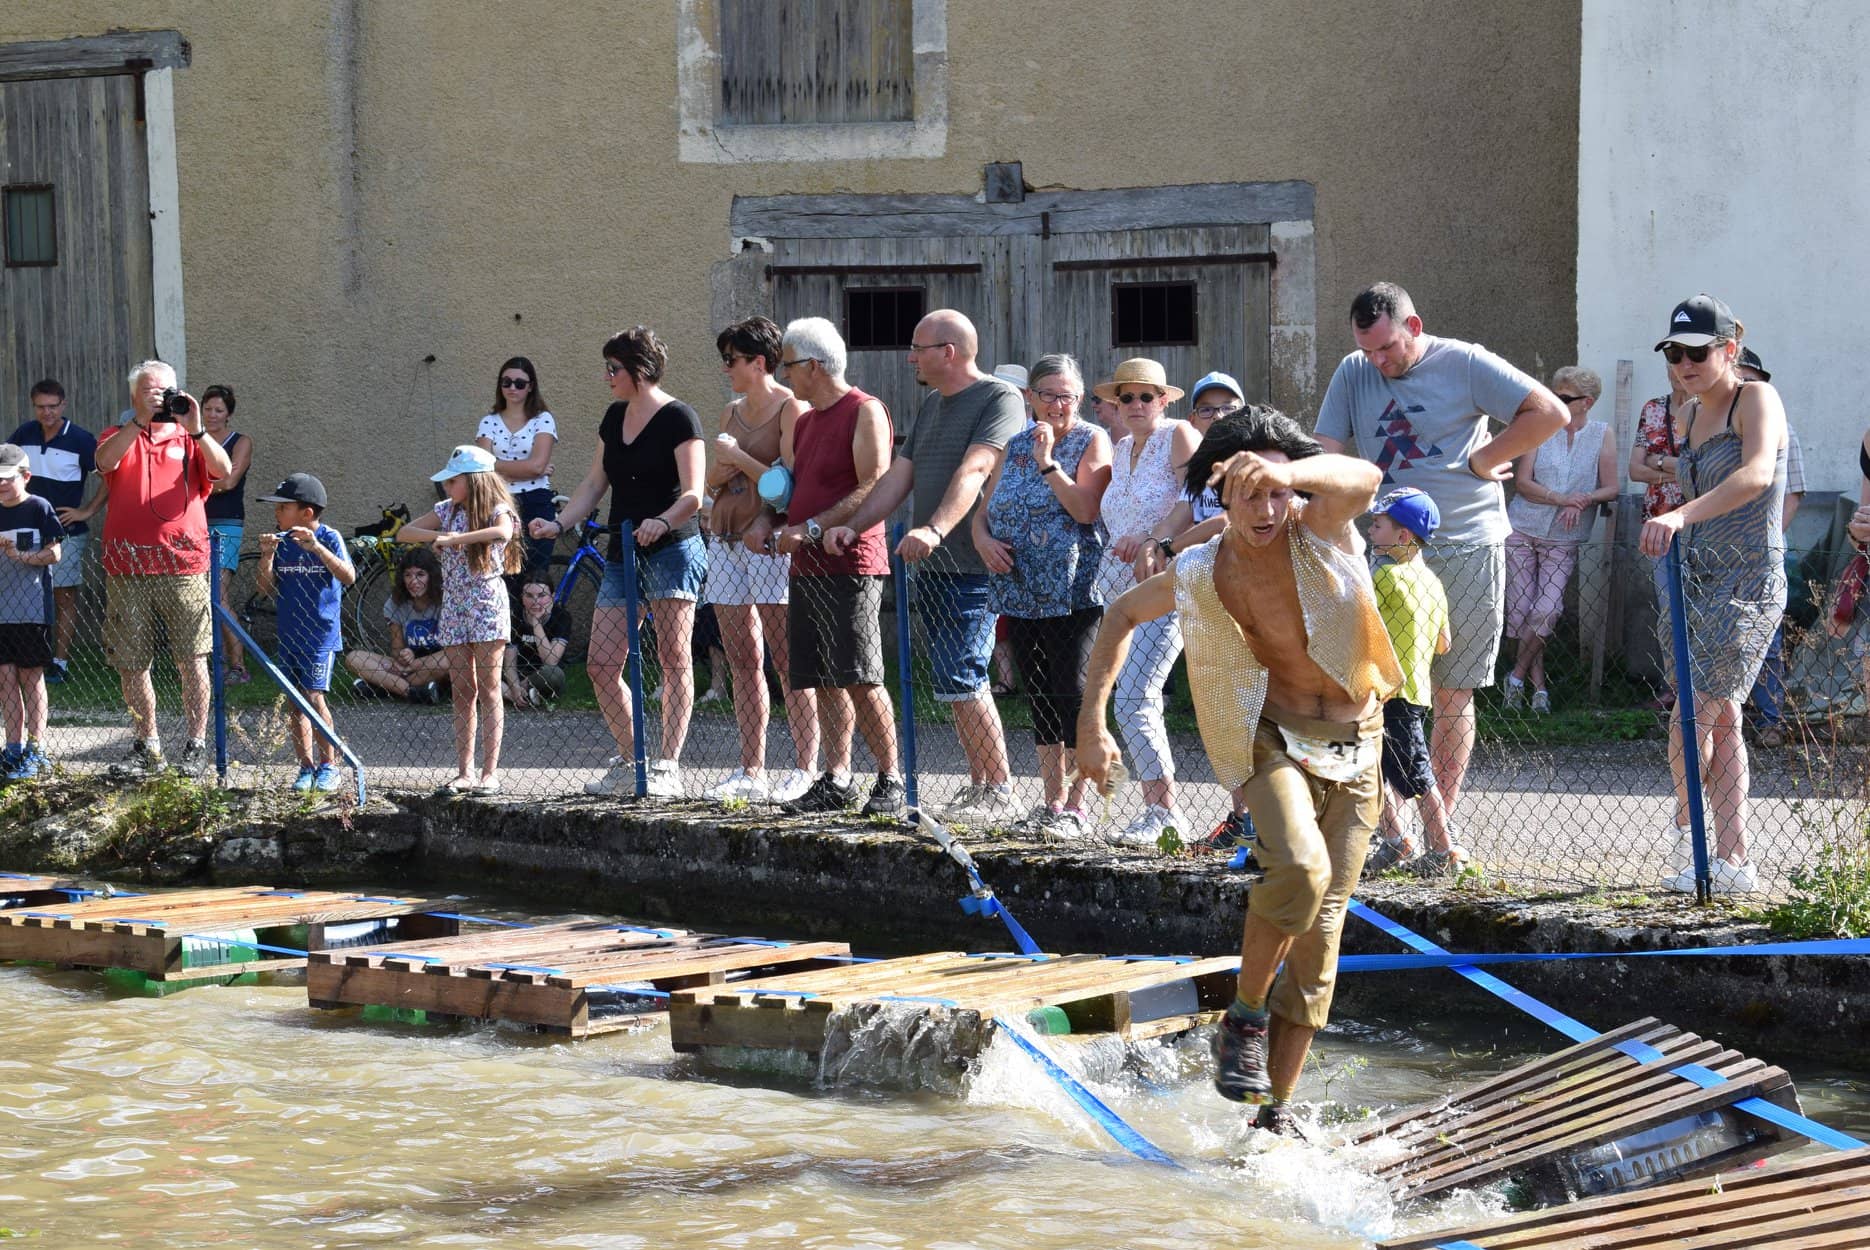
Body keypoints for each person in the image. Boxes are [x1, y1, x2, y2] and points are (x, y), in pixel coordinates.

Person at [1076, 407, 1400, 1135]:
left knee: (1319, 947)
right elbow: (1121, 615)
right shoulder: (1203, 570)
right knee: (1301, 872)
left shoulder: (1324, 531)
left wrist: (1287, 472)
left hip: (1359, 751)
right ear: (1217, 494)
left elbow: (1365, 475)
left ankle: (1271, 1117)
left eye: (1276, 489)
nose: (1266, 505)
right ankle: (1245, 1016)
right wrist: (1091, 723)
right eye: (1246, 489)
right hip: (1273, 741)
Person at [1313, 282, 1566, 837]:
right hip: (1386, 554)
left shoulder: (1466, 362)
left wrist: (1484, 459)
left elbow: (1548, 413)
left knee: (1453, 689)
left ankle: (1439, 827)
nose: (1377, 362)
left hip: (1465, 543)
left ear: (1415, 327)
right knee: (1378, 689)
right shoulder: (1353, 371)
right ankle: (1392, 830)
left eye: (1388, 349)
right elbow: (1326, 453)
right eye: (1367, 349)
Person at [823, 310, 1024, 826]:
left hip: (973, 562)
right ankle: (982, 785)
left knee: (965, 674)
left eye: (918, 348)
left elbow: (977, 467)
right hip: (934, 566)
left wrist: (934, 529)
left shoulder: (1000, 398)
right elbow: (899, 476)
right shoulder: (934, 404)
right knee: (953, 678)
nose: (910, 357)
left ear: (948, 352)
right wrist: (858, 525)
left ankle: (999, 789)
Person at [1639, 295, 1787, 896]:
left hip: (1748, 580)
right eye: (1674, 353)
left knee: (1692, 715)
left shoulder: (1756, 399)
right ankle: (1730, 859)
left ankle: (1690, 832)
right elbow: (1683, 474)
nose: (1684, 363)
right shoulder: (1690, 413)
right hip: (1695, 580)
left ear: (1729, 348)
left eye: (1696, 351)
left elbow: (1756, 475)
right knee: (1720, 719)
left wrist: (1676, 516)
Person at [531, 327, 707, 799]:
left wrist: (663, 522)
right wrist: (558, 523)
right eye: (607, 368)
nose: (607, 377)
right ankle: (636, 762)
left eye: (614, 369)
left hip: (672, 549)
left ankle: (668, 765)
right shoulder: (613, 418)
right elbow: (594, 484)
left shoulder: (679, 418)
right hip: (621, 554)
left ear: (640, 371)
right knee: (601, 664)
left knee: (674, 659)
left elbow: (693, 494)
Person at [762, 316, 904, 816]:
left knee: (862, 674)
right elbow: (793, 486)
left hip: (851, 562)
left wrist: (814, 529)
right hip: (807, 564)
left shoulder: (865, 411)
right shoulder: (804, 421)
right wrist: (770, 520)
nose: (785, 377)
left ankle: (892, 780)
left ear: (814, 366)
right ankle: (838, 777)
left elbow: (874, 483)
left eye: (790, 366)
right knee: (822, 675)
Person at [971, 353, 1111, 839]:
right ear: (1030, 397)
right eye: (1048, 394)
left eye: (1067, 395)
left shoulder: (1092, 439)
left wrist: (1048, 461)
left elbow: (1086, 510)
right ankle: (1051, 800)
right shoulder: (1011, 444)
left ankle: (1077, 805)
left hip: (1073, 591)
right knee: (1040, 697)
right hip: (1019, 588)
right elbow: (982, 513)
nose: (1057, 404)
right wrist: (983, 541)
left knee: (1070, 692)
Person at [95, 360, 232, 778]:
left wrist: (196, 428)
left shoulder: (192, 439)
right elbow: (104, 462)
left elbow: (223, 472)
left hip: (183, 564)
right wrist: (139, 423)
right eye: (152, 391)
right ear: (135, 396)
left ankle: (195, 745)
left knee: (192, 659)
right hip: (128, 565)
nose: (161, 397)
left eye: (167, 390)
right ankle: (147, 745)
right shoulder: (117, 435)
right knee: (132, 662)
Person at [1137, 369, 1254, 854]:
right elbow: (1182, 513)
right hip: (1210, 596)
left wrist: (1171, 544)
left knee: (1253, 709)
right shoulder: (1204, 465)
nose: (1217, 415)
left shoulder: (1253, 460)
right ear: (1194, 417)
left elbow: (1230, 519)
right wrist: (1154, 540)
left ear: (1243, 412)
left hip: (1249, 598)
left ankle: (1268, 818)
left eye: (1227, 407)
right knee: (1223, 709)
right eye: (1207, 408)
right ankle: (1242, 817)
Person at [703, 316, 817, 803]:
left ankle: (806, 769)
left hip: (769, 542)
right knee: (742, 659)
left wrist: (741, 462)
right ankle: (753, 769)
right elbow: (711, 480)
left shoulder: (793, 408)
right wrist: (732, 466)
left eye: (732, 359)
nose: (726, 368)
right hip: (725, 537)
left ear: (759, 362)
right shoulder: (730, 411)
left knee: (787, 659)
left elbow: (789, 484)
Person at [1091, 357, 1201, 845]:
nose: (1135, 405)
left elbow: (1195, 500)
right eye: (1126, 397)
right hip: (1118, 588)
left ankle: (1165, 813)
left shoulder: (1178, 434)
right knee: (1125, 698)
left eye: (1145, 396)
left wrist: (1155, 540)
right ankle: (1150, 810)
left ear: (1163, 400)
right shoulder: (1119, 445)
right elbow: (1117, 513)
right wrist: (1125, 539)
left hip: (1165, 584)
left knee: (1136, 697)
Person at [401, 444, 522, 794]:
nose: (447, 488)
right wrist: (438, 537)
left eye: (453, 481)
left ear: (473, 481)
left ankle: (489, 773)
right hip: (454, 606)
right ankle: (464, 771)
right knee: (462, 690)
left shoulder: (497, 510)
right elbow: (405, 533)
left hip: (486, 603)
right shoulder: (446, 510)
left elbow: (502, 533)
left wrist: (456, 539)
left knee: (488, 688)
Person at [1502, 367, 1617, 712]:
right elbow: (1523, 482)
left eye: (1564, 398)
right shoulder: (1540, 427)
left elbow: (1611, 487)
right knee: (1522, 610)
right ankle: (1539, 690)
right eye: (1555, 395)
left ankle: (1517, 676)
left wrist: (1582, 498)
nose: (1556, 401)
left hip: (1564, 536)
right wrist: (1561, 498)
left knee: (1547, 611)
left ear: (1587, 403)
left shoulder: (1601, 434)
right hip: (1521, 528)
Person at [1361, 488, 1458, 876]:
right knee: (1377, 769)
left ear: (1402, 536)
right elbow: (1444, 643)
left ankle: (1443, 850)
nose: (1370, 530)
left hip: (1385, 691)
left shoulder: (1382, 575)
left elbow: (1359, 621)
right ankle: (1397, 840)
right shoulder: (1432, 581)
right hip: (1414, 689)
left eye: (1378, 524)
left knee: (1414, 776)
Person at [254, 473, 354, 793]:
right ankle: (306, 767)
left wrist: (317, 550)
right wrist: (267, 556)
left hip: (320, 635)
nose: (277, 513)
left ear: (306, 513)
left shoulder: (329, 537)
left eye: (283, 507)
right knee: (296, 702)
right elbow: (264, 589)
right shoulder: (282, 543)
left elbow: (349, 576)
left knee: (313, 696)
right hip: (290, 633)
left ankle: (329, 766)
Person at [9, 379, 105, 685]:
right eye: (41, 406)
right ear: (33, 405)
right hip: (26, 529)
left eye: (52, 406)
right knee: (25, 592)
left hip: (66, 531)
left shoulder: (80, 439)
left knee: (63, 595)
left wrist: (86, 510)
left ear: (63, 405)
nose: (47, 412)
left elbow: (110, 477)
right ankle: (28, 657)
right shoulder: (23, 434)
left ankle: (59, 663)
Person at [1737, 348, 1803, 747]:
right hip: (1717, 551)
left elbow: (1793, 494)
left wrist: (1766, 539)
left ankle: (1771, 719)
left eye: (1750, 381)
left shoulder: (1782, 427)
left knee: (1769, 637)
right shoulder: (1711, 428)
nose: (1745, 388)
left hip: (1764, 549)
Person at [0, 444, 63, 780]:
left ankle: (36, 750)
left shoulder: (39, 507)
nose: (1, 486)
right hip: (0, 612)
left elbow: (55, 554)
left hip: (31, 609)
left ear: (25, 476)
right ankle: (12, 748)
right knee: (5, 679)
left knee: (31, 677)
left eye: (7, 479)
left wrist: (24, 558)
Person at [474, 356, 557, 575]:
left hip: (535, 502)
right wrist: (527, 467)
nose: (512, 388)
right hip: (498, 501)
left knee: (535, 576)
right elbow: (481, 469)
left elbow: (537, 467)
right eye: (506, 382)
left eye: (520, 383)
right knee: (500, 575)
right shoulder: (488, 421)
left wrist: (495, 465)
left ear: (530, 387)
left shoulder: (543, 419)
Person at [198, 385, 254, 684]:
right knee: (198, 595)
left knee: (217, 595)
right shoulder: (194, 439)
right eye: (208, 409)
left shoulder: (240, 441)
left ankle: (238, 665)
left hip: (226, 523)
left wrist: (195, 484)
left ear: (229, 414)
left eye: (219, 410)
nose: (212, 415)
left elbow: (230, 481)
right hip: (194, 522)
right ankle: (212, 662)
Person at [345, 546, 448, 704]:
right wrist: (404, 655)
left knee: (448, 660)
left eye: (420, 574)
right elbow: (397, 650)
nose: (413, 581)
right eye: (408, 575)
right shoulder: (395, 604)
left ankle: (382, 687)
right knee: (354, 658)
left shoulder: (445, 601)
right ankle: (412, 692)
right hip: (408, 667)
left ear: (432, 576)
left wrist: (414, 665)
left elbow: (453, 650)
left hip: (435, 664)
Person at [502, 573, 570, 707]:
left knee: (554, 675)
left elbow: (550, 660)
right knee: (485, 672)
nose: (535, 601)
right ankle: (516, 696)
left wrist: (536, 622)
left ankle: (522, 691)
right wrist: (515, 687)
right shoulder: (514, 615)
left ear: (552, 597)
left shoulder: (562, 616)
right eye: (529, 596)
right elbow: (509, 664)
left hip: (540, 674)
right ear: (522, 598)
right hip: (516, 673)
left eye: (542, 595)